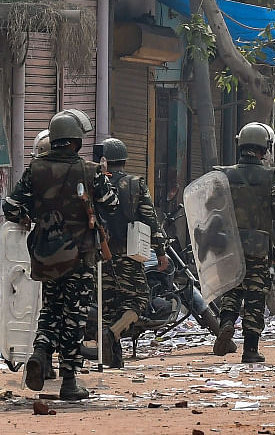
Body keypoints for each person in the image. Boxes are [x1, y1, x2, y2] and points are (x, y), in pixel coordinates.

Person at [4, 110, 117, 400]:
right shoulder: (89, 170)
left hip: (46, 254)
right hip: (80, 256)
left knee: (51, 308)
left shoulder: (34, 169)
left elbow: (11, 207)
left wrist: (29, 217)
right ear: (76, 141)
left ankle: (41, 354)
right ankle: (69, 380)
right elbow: (111, 203)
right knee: (74, 314)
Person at [211, 123, 275, 363]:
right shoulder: (270, 177)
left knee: (232, 289)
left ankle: (225, 323)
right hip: (258, 246)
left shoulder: (223, 175)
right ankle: (250, 350)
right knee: (255, 296)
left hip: (229, 245)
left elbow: (210, 208)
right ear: (264, 148)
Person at [99, 138, 174, 368]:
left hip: (101, 254)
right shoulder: (134, 184)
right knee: (139, 300)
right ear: (124, 160)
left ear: (105, 160)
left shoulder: (97, 183)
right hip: (129, 255)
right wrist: (160, 251)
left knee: (109, 304)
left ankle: (113, 356)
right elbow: (150, 219)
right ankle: (111, 334)